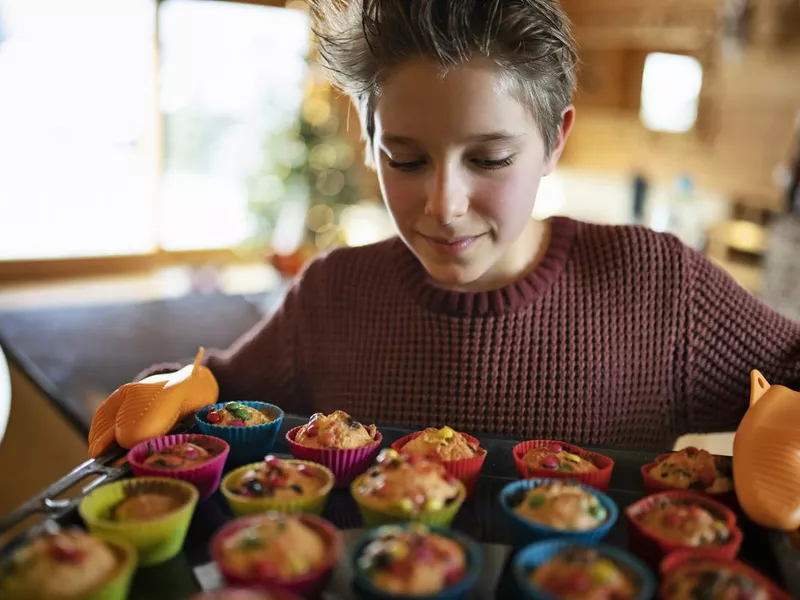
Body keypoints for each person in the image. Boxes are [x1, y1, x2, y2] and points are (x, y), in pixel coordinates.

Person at [136, 0, 800, 451]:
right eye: (406, 157)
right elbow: (219, 390)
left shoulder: (657, 287)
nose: (444, 204)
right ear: (369, 140)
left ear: (554, 140)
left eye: (489, 158)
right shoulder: (334, 294)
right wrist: (172, 384)